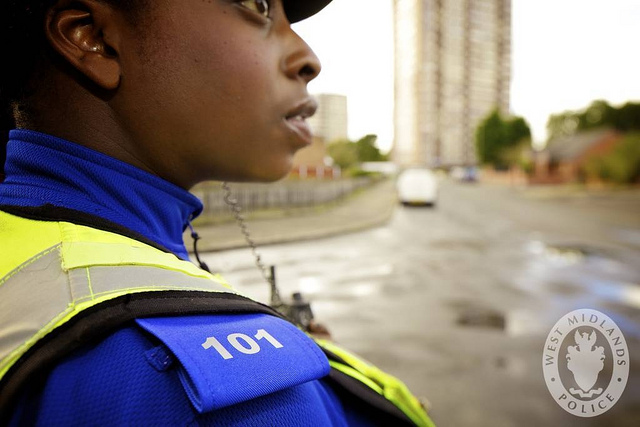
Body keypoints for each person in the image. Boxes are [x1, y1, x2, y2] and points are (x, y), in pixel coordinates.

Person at [0, 0, 435, 425]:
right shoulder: (222, 397)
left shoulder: (31, 235)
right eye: (257, 6)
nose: (309, 59)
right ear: (94, 38)